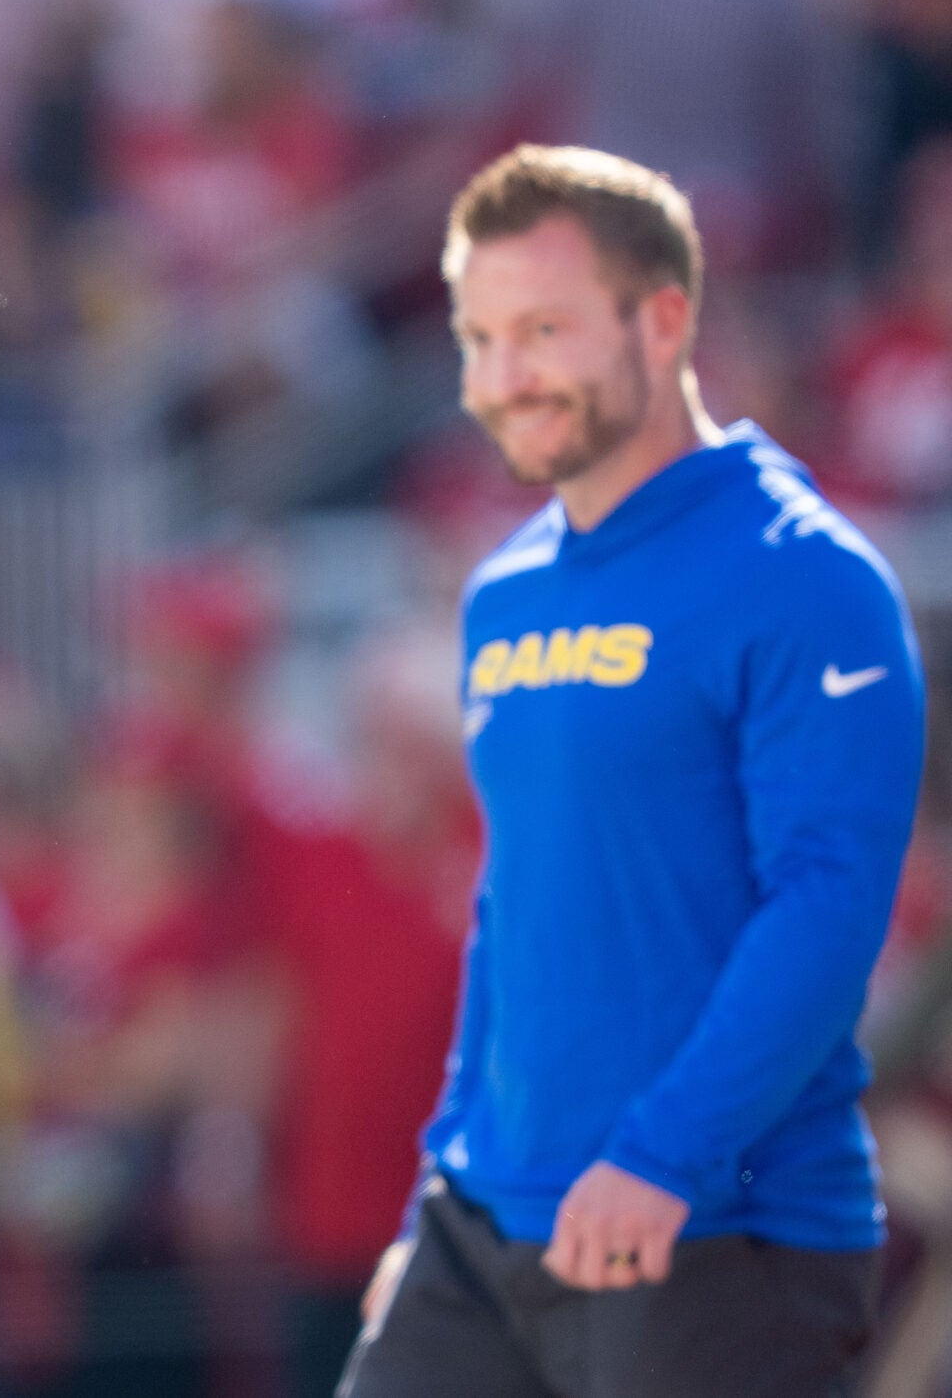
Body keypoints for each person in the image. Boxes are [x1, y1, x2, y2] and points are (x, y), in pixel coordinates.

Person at [340, 146, 927, 1398]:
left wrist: (664, 1158)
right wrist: (440, 1180)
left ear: (662, 321)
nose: (502, 377)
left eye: (542, 331)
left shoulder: (807, 576)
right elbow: (516, 906)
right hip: (483, 1228)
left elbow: (830, 906)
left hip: (718, 1234)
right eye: (478, 338)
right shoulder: (504, 592)